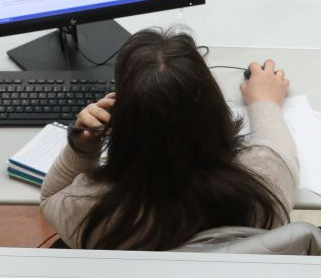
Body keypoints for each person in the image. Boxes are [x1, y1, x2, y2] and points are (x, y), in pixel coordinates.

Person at [40, 27, 298, 250]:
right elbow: (278, 146)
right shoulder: (265, 182)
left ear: (125, 121)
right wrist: (264, 100)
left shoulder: (90, 211)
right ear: (213, 108)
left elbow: (50, 197)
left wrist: (83, 145)